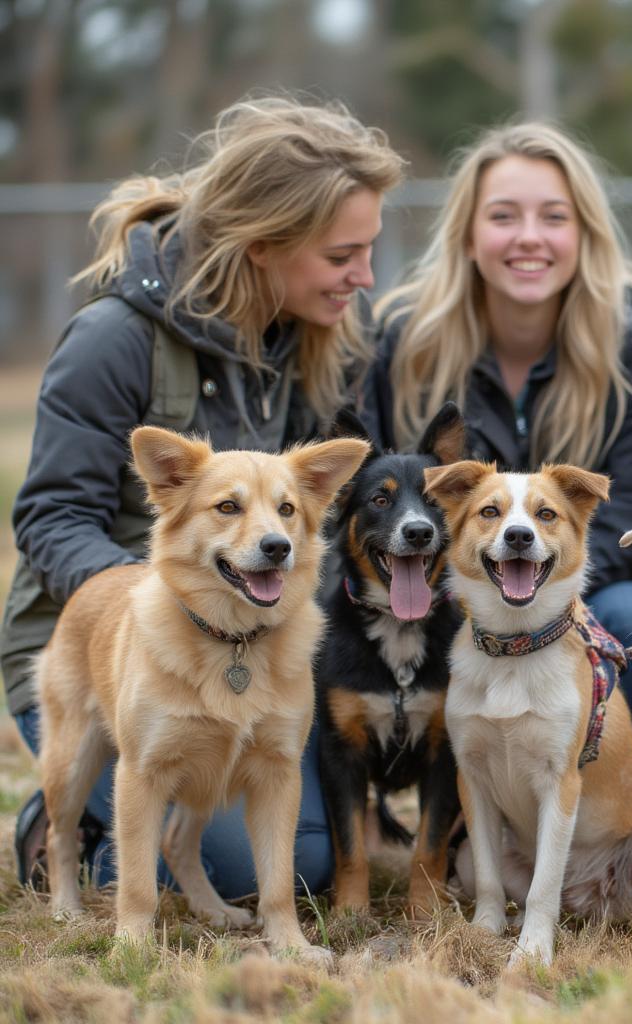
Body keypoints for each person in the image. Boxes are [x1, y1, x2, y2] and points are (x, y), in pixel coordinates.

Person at [2, 94, 405, 898]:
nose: (363, 279)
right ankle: (68, 820)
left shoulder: (318, 342)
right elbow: (50, 517)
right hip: (104, 645)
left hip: (256, 645)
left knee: (305, 866)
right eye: (343, 256)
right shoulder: (114, 340)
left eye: (368, 253)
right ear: (264, 246)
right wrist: (151, 609)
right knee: (234, 863)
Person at [363, 122, 632, 636]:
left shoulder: (631, 350)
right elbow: (373, 492)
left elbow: (627, 516)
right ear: (467, 236)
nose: (530, 237)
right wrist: (471, 590)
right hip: (431, 585)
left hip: (575, 592)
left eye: (554, 217)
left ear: (584, 235)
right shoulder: (403, 344)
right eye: (503, 216)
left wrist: (531, 599)